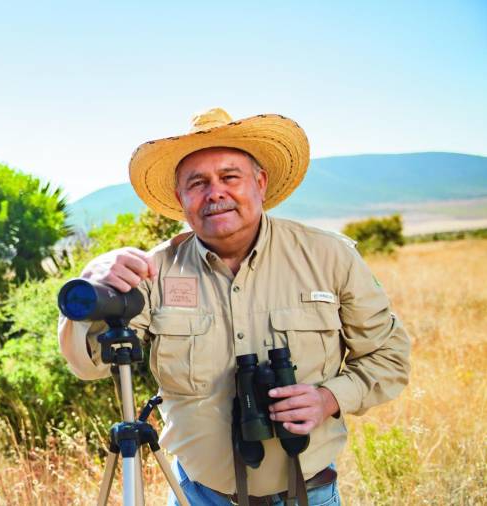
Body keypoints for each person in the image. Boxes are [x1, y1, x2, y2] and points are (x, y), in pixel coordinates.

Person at [58, 108, 411, 505]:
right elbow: (89, 365)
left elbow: (390, 357)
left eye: (230, 177)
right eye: (198, 183)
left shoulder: (328, 257)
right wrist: (90, 284)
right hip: (202, 494)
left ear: (260, 183)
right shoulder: (153, 271)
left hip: (309, 493)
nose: (215, 193)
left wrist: (328, 398)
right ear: (181, 198)